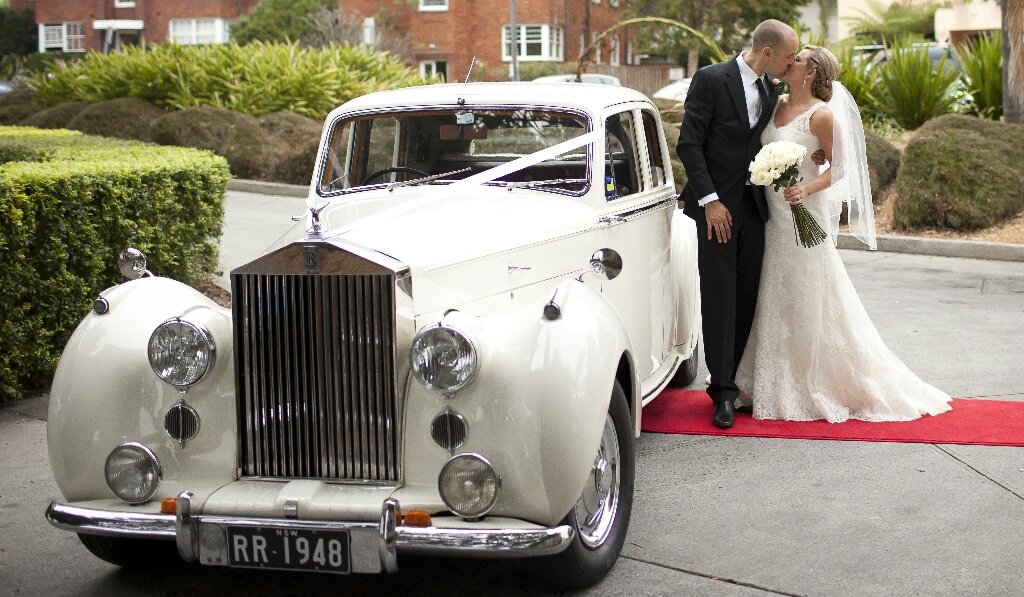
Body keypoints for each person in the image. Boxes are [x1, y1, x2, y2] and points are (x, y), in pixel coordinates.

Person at [734, 45, 952, 422]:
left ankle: (813, 381)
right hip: (771, 212)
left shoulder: (821, 117)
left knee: (807, 287)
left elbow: (838, 170)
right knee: (773, 287)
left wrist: (805, 188)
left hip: (803, 209)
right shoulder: (774, 101)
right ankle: (767, 379)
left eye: (797, 59)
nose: (790, 62)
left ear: (812, 73)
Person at [676, 20, 799, 429]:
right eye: (787, 56)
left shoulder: (771, 87)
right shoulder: (710, 79)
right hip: (716, 211)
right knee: (719, 297)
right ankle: (722, 393)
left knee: (747, 295)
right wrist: (710, 202)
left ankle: (737, 380)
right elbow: (689, 143)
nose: (791, 63)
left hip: (755, 207)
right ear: (767, 52)